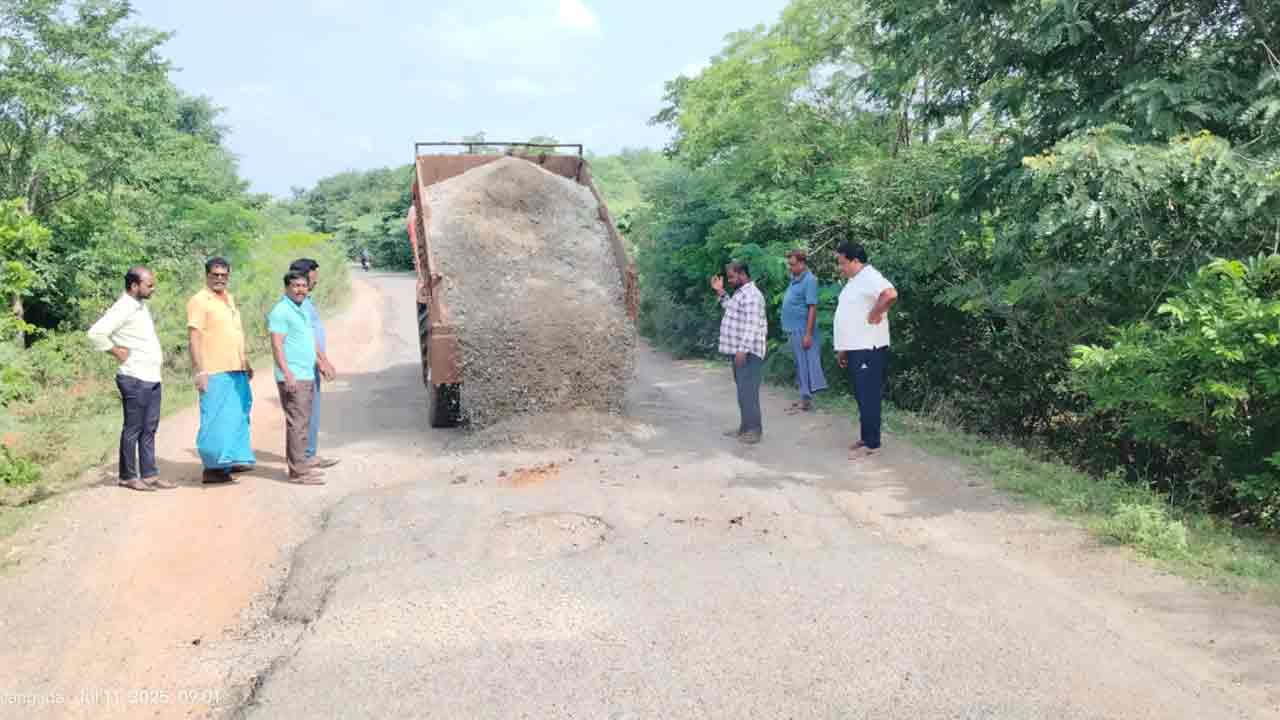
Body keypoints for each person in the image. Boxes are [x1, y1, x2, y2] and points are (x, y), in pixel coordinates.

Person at [88, 266, 175, 492]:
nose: (153, 288)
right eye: (149, 285)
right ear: (134, 286)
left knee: (149, 428)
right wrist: (115, 351)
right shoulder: (123, 307)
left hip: (150, 376)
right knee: (133, 429)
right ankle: (127, 476)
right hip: (134, 377)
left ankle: (149, 474)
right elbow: (95, 333)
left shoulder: (139, 306)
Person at [188, 257, 256, 484]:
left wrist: (244, 361)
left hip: (235, 367)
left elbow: (234, 332)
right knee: (215, 419)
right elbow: (194, 337)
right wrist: (200, 371)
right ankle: (213, 468)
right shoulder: (200, 301)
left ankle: (231, 460)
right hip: (214, 369)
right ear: (207, 275)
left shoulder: (229, 299)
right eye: (215, 275)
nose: (219, 279)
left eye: (223, 275)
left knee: (237, 416)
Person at [833, 241, 898, 460]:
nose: (840, 267)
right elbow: (848, 316)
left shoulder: (870, 276)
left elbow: (889, 294)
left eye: (842, 263)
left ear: (855, 261)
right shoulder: (854, 281)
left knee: (869, 395)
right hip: (854, 347)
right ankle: (865, 436)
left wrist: (875, 313)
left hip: (868, 347)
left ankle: (873, 443)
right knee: (862, 395)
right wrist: (842, 349)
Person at [269, 270, 325, 484]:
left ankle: (302, 466)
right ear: (287, 288)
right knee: (297, 424)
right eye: (296, 286)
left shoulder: (300, 309)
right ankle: (298, 472)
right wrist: (287, 373)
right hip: (293, 376)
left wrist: (320, 361)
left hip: (305, 373)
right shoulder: (281, 311)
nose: (301, 289)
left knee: (303, 422)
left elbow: (307, 339)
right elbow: (276, 344)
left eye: (304, 285)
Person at [288, 258, 339, 469]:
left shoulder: (304, 301)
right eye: (314, 276)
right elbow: (307, 336)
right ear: (307, 275)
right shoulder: (298, 304)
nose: (316, 281)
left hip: (308, 364)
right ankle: (305, 457)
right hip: (304, 366)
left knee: (308, 411)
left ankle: (307, 454)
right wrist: (323, 361)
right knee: (304, 413)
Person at [711, 261, 768, 445]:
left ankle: (754, 430)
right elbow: (730, 309)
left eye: (732, 277)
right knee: (743, 391)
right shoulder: (740, 294)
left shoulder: (752, 295)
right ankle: (745, 427)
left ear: (743, 274)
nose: (729, 281)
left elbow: (752, 325)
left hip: (748, 352)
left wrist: (742, 350)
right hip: (740, 351)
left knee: (748, 391)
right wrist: (720, 292)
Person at [781, 250, 827, 414]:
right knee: (800, 364)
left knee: (805, 364)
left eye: (793, 264)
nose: (790, 267)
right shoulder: (795, 279)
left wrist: (808, 334)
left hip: (803, 329)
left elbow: (812, 307)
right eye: (790, 264)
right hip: (793, 328)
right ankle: (803, 397)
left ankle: (806, 400)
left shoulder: (810, 280)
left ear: (802, 263)